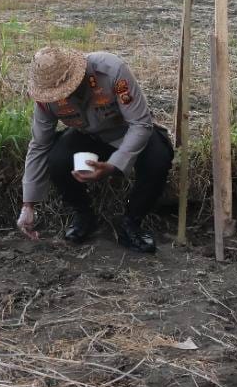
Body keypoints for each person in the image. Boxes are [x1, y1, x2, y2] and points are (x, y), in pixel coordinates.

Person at [15, 46, 173, 254]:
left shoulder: (111, 70)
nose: (61, 96)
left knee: (158, 159)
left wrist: (113, 166)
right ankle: (84, 215)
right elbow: (39, 145)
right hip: (89, 136)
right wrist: (28, 204)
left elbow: (140, 124)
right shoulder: (46, 99)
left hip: (128, 132)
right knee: (57, 159)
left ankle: (131, 222)